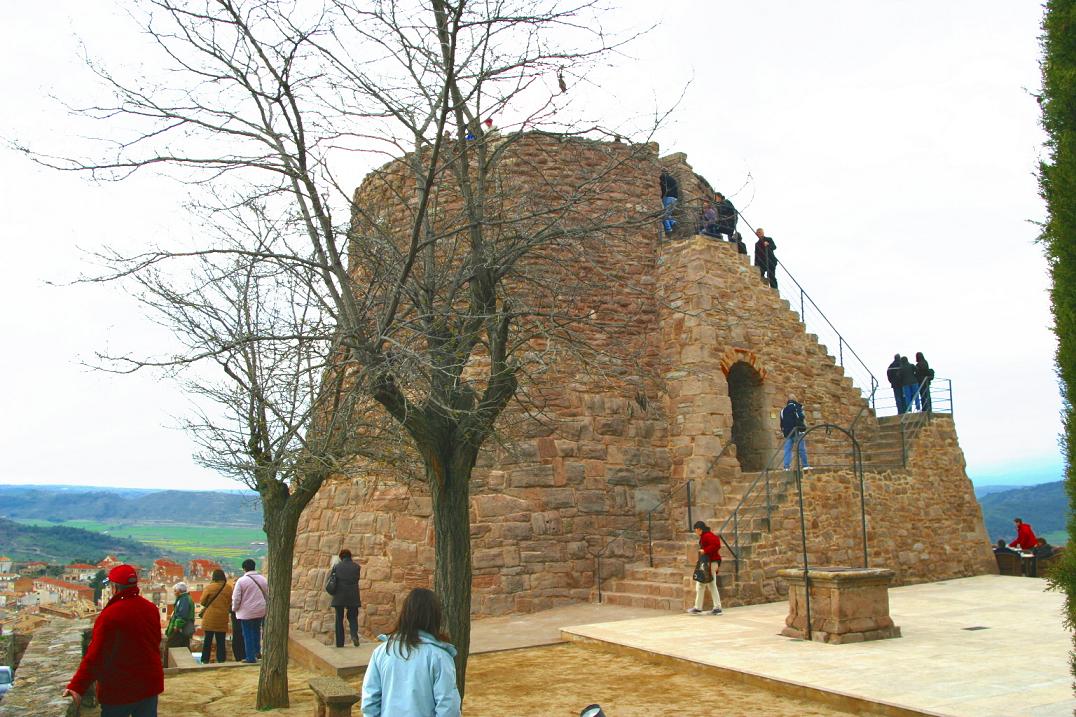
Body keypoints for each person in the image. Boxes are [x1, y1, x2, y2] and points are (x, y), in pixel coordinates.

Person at [63, 564, 163, 717]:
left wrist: (77, 686)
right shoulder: (150, 608)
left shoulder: (110, 615)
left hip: (119, 689)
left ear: (114, 587)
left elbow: (95, 655)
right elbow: (155, 641)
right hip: (148, 684)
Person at [360, 588, 462, 717]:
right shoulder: (439, 657)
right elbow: (448, 707)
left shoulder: (381, 652)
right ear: (435, 617)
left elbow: (370, 702)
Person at [232, 558, 269, 664]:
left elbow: (236, 597)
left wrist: (235, 608)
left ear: (244, 568)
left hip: (246, 612)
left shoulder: (241, 581)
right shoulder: (263, 579)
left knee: (247, 633)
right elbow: (267, 593)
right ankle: (257, 652)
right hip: (261, 610)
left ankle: (250, 657)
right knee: (257, 631)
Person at [686, 521, 723, 615]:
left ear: (699, 529)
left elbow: (717, 545)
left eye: (696, 530)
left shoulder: (707, 536)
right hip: (708, 563)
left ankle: (716, 608)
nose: (696, 533)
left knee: (710, 584)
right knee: (702, 584)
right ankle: (699, 607)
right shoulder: (705, 535)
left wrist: (705, 550)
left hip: (711, 563)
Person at [330, 549, 362, 648]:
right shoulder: (357, 567)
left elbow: (332, 579)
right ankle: (354, 635)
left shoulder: (337, 567)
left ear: (341, 557)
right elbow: (356, 579)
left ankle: (340, 643)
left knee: (339, 619)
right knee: (353, 617)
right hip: (353, 595)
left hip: (339, 596)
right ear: (350, 556)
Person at [199, 569, 233, 664]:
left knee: (207, 640)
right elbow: (230, 602)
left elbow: (202, 601)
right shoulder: (228, 588)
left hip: (210, 617)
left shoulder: (210, 587)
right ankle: (221, 659)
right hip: (222, 616)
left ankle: (205, 659)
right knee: (221, 640)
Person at [780, 394, 810, 470]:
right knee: (801, 449)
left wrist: (784, 432)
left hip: (788, 433)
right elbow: (801, 417)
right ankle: (805, 465)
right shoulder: (797, 407)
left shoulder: (782, 410)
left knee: (787, 450)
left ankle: (786, 467)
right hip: (797, 431)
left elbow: (782, 423)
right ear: (795, 399)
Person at [165, 582, 195, 653]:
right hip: (183, 629)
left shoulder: (183, 599)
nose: (174, 592)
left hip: (180, 629)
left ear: (180, 591)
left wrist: (177, 626)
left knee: (170, 649)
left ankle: (168, 664)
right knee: (184, 648)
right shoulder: (185, 598)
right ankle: (186, 663)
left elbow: (182, 614)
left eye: (175, 591)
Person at [659, 170, 680, 234]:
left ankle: (669, 230)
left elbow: (662, 184)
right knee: (669, 213)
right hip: (675, 198)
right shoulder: (673, 179)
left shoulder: (664, 177)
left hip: (667, 197)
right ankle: (673, 222)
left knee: (664, 213)